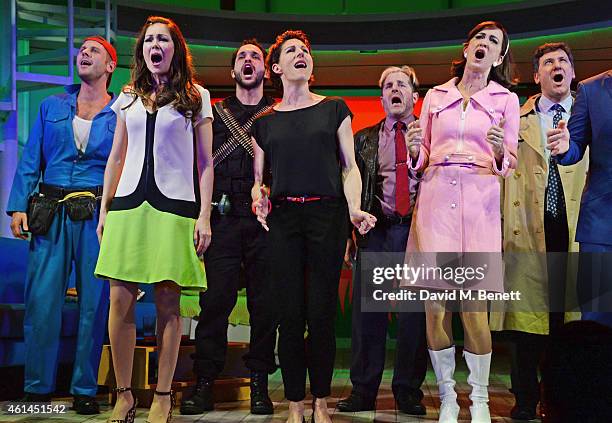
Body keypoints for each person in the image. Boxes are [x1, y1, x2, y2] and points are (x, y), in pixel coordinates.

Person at [250, 30, 376, 423]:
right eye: (291, 51)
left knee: (321, 313)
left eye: (305, 51)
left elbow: (349, 166)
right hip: (284, 219)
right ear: (277, 67)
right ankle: (294, 404)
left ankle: (321, 401)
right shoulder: (264, 122)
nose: (300, 55)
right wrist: (259, 196)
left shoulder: (335, 109)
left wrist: (354, 209)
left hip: (327, 216)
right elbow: (260, 178)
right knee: (290, 315)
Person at [94, 16, 214, 423]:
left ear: (175, 48)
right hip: (128, 206)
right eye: (149, 40)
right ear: (142, 50)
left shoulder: (197, 96)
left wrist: (204, 216)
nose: (155, 45)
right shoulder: (127, 97)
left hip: (175, 208)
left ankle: (163, 395)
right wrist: (104, 207)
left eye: (163, 39)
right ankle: (124, 394)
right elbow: (116, 156)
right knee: (119, 298)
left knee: (168, 301)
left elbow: (204, 164)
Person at [406, 21, 519, 423]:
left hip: (479, 199)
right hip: (436, 198)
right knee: (435, 308)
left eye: (494, 42)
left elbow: (509, 162)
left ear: (500, 56)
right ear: (467, 46)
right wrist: (415, 151)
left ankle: (482, 398)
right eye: (480, 39)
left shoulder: (505, 99)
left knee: (474, 309)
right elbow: (420, 163)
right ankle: (448, 396)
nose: (484, 45)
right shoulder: (436, 96)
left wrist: (498, 152)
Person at [6, 35, 117, 415]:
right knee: (42, 301)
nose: (84, 53)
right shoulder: (51, 105)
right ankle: (37, 389)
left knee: (94, 304)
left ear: (110, 66)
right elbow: (30, 158)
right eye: (81, 49)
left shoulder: (121, 111)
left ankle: (85, 388)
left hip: (97, 217)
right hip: (50, 212)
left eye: (94, 50)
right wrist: (17, 206)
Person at [489, 42, 588, 421]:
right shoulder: (517, 117)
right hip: (528, 228)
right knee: (526, 324)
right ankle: (526, 400)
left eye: (563, 61)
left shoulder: (588, 114)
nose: (556, 67)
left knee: (572, 322)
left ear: (573, 73)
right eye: (548, 63)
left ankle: (567, 399)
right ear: (536, 76)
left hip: (576, 227)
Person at [180, 39, 277, 416]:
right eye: (242, 58)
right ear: (233, 72)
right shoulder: (214, 114)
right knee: (214, 304)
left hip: (264, 224)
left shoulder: (278, 114)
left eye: (255, 57)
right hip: (220, 221)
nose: (249, 61)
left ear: (265, 71)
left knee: (265, 308)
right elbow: (198, 165)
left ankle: (259, 386)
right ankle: (204, 383)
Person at [336, 66, 427, 415]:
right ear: (382, 98)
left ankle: (407, 391)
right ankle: (363, 390)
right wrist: (349, 233)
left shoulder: (431, 134)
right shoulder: (364, 138)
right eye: (388, 85)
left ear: (414, 96)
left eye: (401, 84)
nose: (395, 89)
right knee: (368, 319)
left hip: (416, 234)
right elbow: (351, 190)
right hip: (376, 232)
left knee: (413, 319)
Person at [549, 68, 612, 328]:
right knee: (597, 322)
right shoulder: (591, 89)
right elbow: (575, 147)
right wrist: (565, 147)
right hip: (601, 225)